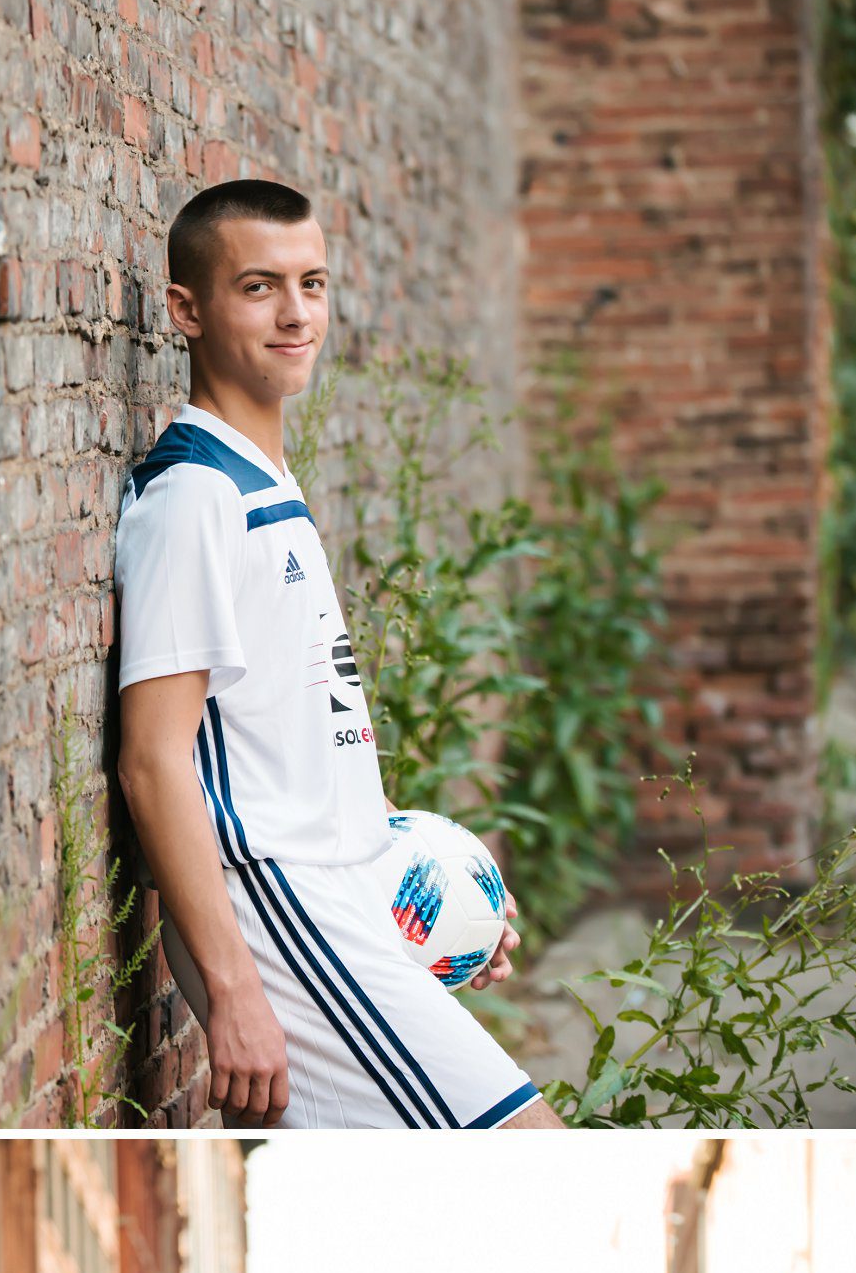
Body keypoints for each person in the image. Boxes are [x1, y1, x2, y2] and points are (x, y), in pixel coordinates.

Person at [113, 175, 563, 1136]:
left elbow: (296, 741)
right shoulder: (196, 500)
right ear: (187, 310)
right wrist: (234, 989)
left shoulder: (263, 480)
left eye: (312, 284)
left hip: (337, 900)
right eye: (259, 287)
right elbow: (152, 762)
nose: (295, 314)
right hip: (281, 913)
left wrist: (433, 895)